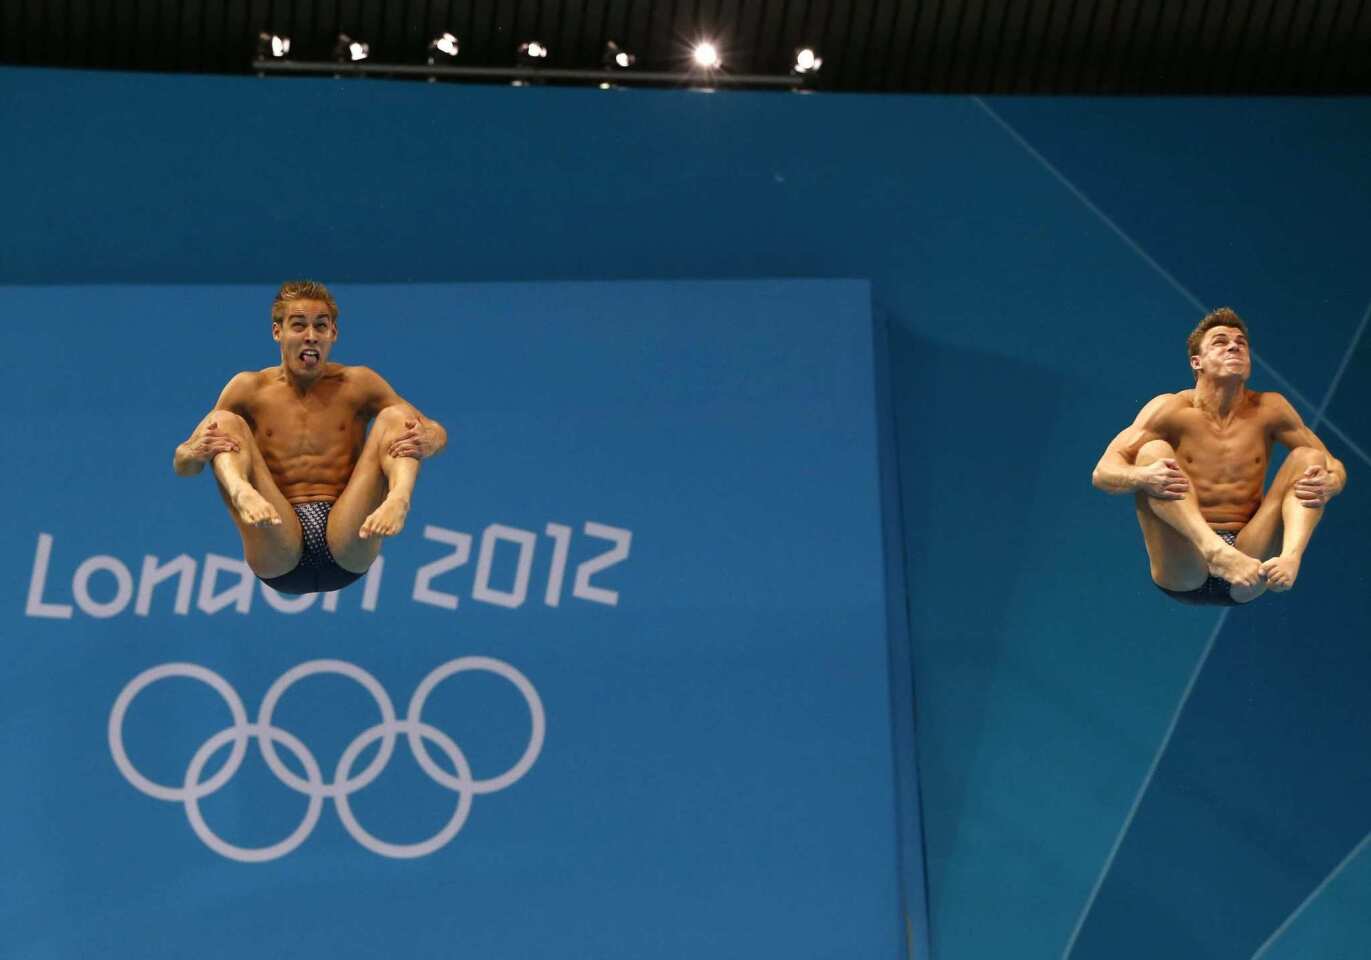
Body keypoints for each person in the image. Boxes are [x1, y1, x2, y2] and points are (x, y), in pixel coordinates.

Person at [172, 281, 447, 594]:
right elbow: (185, 466)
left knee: (396, 418)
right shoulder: (249, 389)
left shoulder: (359, 384)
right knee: (222, 423)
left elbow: (434, 430)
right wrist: (191, 451)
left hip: (349, 535)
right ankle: (241, 492)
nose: (311, 335)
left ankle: (399, 499)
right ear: (278, 332)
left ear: (333, 334)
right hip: (276, 538)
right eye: (299, 325)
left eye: (321, 326)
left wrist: (431, 440)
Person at [1092, 307, 1347, 605]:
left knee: (1309, 458)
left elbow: (1334, 466)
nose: (1234, 345)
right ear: (1196, 362)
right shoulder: (1170, 409)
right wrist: (1144, 477)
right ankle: (1213, 549)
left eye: (1241, 342)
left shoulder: (1270, 408)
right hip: (1185, 565)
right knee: (1152, 453)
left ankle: (1290, 559)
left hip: (1249, 562)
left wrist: (1333, 483)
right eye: (1220, 341)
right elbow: (1103, 473)